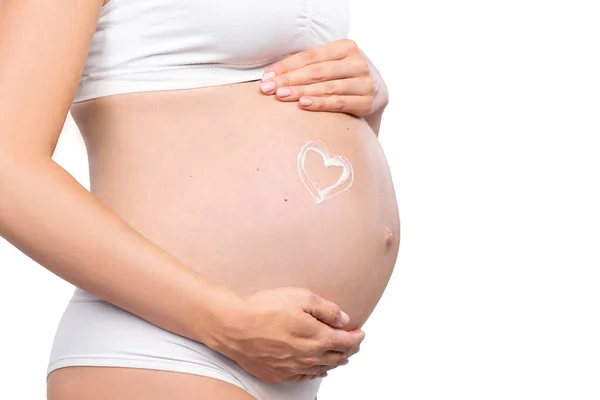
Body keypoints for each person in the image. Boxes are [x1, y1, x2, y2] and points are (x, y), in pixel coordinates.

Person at [0, 0, 400, 399]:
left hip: (290, 363)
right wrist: (224, 321)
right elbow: (7, 171)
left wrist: (364, 101)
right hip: (162, 349)